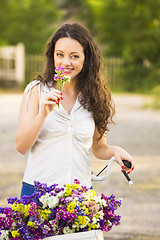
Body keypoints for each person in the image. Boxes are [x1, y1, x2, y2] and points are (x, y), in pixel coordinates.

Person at [16, 22, 135, 197]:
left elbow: (98, 147)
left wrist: (116, 151)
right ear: (52, 56)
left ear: (86, 58)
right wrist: (43, 114)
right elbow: (21, 146)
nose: (66, 62)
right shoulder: (36, 90)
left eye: (74, 56)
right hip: (38, 194)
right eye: (60, 55)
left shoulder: (95, 96)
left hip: (80, 196)